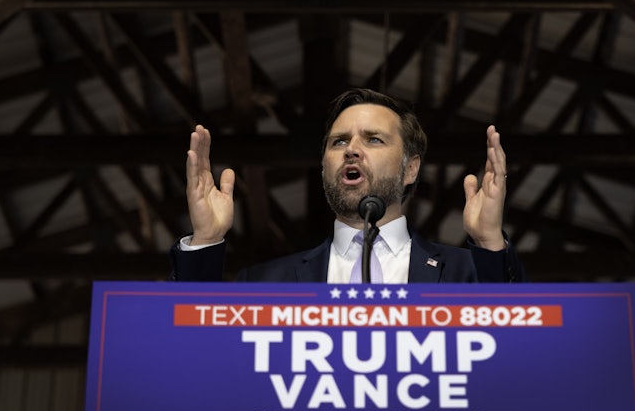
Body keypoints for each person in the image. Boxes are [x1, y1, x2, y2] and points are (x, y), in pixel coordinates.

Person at [169, 88, 526, 283]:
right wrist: (205, 242)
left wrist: (489, 243)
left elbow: (519, 355)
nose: (351, 149)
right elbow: (196, 352)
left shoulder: (466, 273)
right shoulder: (266, 284)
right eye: (338, 142)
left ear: (411, 169)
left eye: (373, 140)